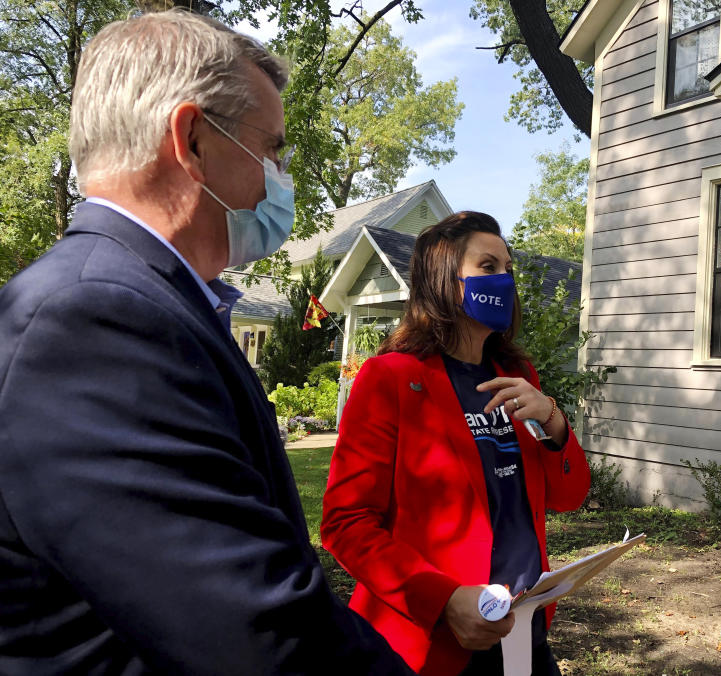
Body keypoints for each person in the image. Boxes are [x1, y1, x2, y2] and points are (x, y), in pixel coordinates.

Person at [0, 10, 414, 675]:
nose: (280, 176)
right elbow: (261, 638)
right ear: (192, 139)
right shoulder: (92, 323)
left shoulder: (137, 302)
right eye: (273, 149)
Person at [320, 211, 591, 675]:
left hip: (523, 630)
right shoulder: (391, 379)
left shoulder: (517, 376)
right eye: (488, 267)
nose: (504, 279)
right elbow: (346, 523)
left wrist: (553, 419)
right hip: (430, 641)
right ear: (444, 276)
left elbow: (569, 497)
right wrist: (443, 599)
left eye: (508, 268)